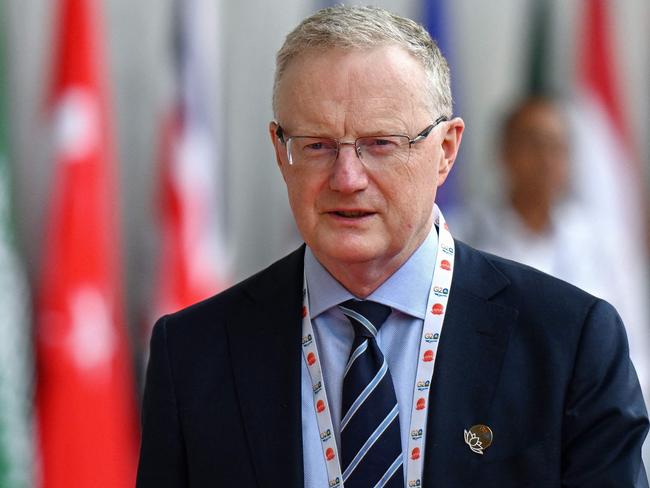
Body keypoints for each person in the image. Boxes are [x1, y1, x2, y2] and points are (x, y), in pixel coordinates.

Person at [136, 6, 649, 487]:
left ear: (445, 151)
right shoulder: (194, 354)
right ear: (279, 150)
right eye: (316, 145)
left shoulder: (569, 341)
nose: (347, 177)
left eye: (380, 143)